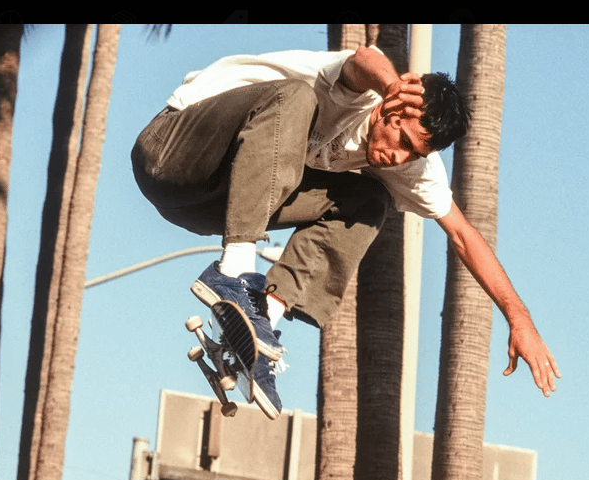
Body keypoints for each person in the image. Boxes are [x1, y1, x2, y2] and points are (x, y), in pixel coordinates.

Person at [132, 45, 560, 420]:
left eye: (414, 152)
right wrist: (393, 84)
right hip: (169, 152)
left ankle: (261, 323)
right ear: (390, 108)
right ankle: (233, 271)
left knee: (370, 200)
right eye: (402, 138)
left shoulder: (412, 166)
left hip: (209, 208)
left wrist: (519, 318)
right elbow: (363, 58)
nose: (397, 157)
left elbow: (464, 235)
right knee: (295, 98)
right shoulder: (355, 90)